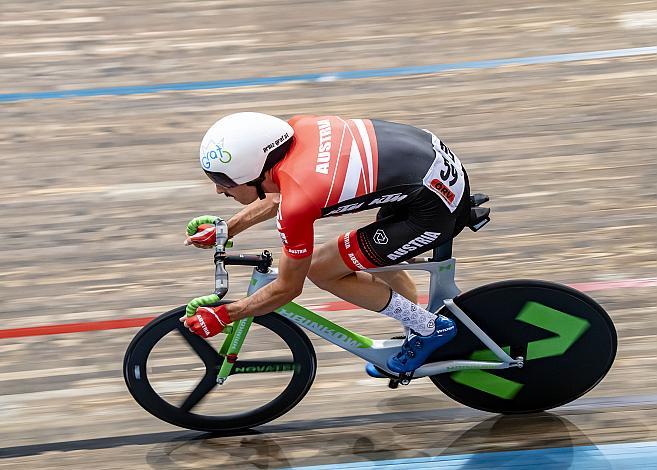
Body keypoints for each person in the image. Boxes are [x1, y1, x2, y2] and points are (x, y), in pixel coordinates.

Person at [181, 112, 471, 374]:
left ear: (254, 172)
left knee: (321, 269)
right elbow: (278, 190)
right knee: (371, 257)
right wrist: (228, 228)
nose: (219, 189)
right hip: (431, 169)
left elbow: (288, 288)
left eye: (223, 180)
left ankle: (429, 329)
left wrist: (226, 314)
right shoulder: (296, 130)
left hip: (433, 209)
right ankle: (416, 329)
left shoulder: (298, 202)